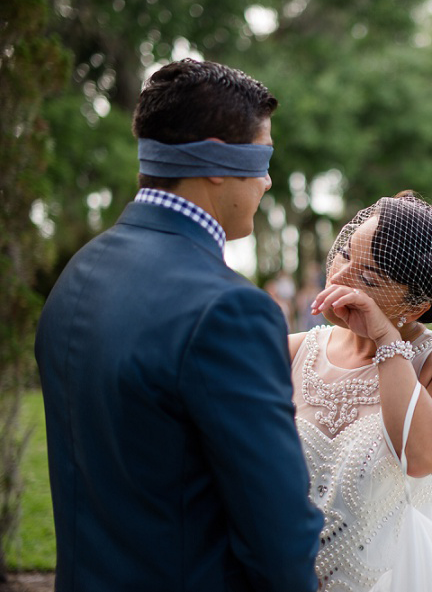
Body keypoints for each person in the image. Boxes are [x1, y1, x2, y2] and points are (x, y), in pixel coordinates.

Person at [34, 59, 323, 592]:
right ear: (217, 160)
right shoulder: (229, 310)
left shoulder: (80, 273)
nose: (266, 180)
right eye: (263, 156)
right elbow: (277, 533)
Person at [288, 192, 432, 591]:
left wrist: (387, 339)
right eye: (346, 255)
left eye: (368, 278)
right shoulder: (292, 351)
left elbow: (419, 457)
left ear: (416, 305)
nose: (340, 277)